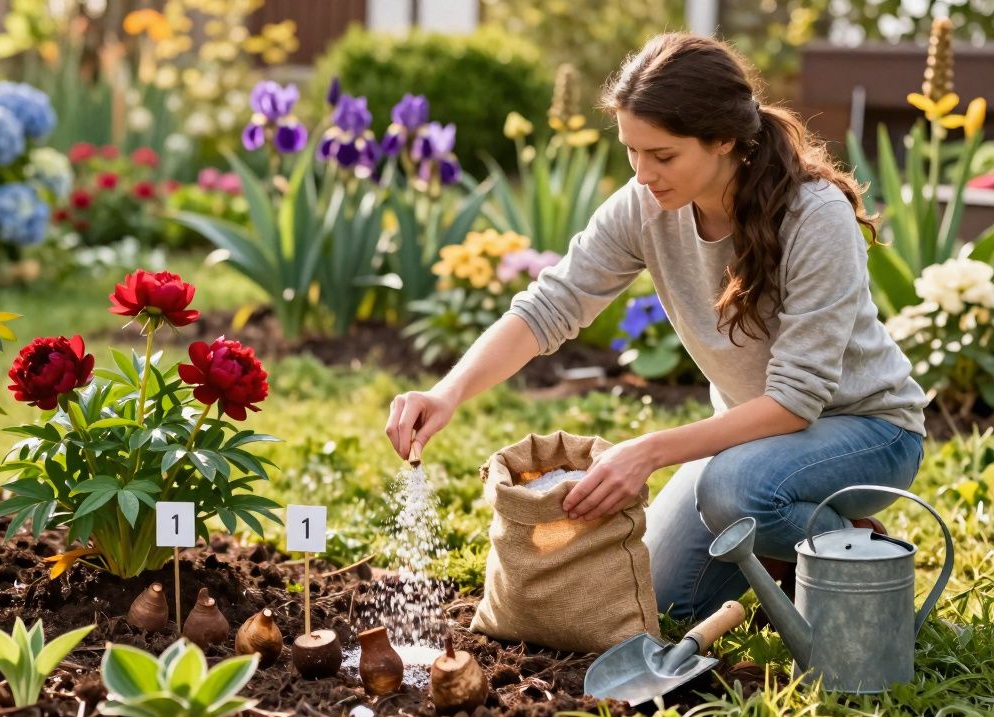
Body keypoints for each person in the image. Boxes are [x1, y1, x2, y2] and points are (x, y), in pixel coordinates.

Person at [385, 33, 927, 621]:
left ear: (723, 139)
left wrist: (649, 451)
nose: (643, 174)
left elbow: (797, 402)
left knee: (732, 494)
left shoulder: (813, 216)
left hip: (867, 431)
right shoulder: (646, 205)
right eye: (631, 151)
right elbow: (551, 304)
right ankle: (796, 545)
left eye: (663, 155)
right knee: (663, 600)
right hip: (751, 442)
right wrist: (448, 391)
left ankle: (860, 558)